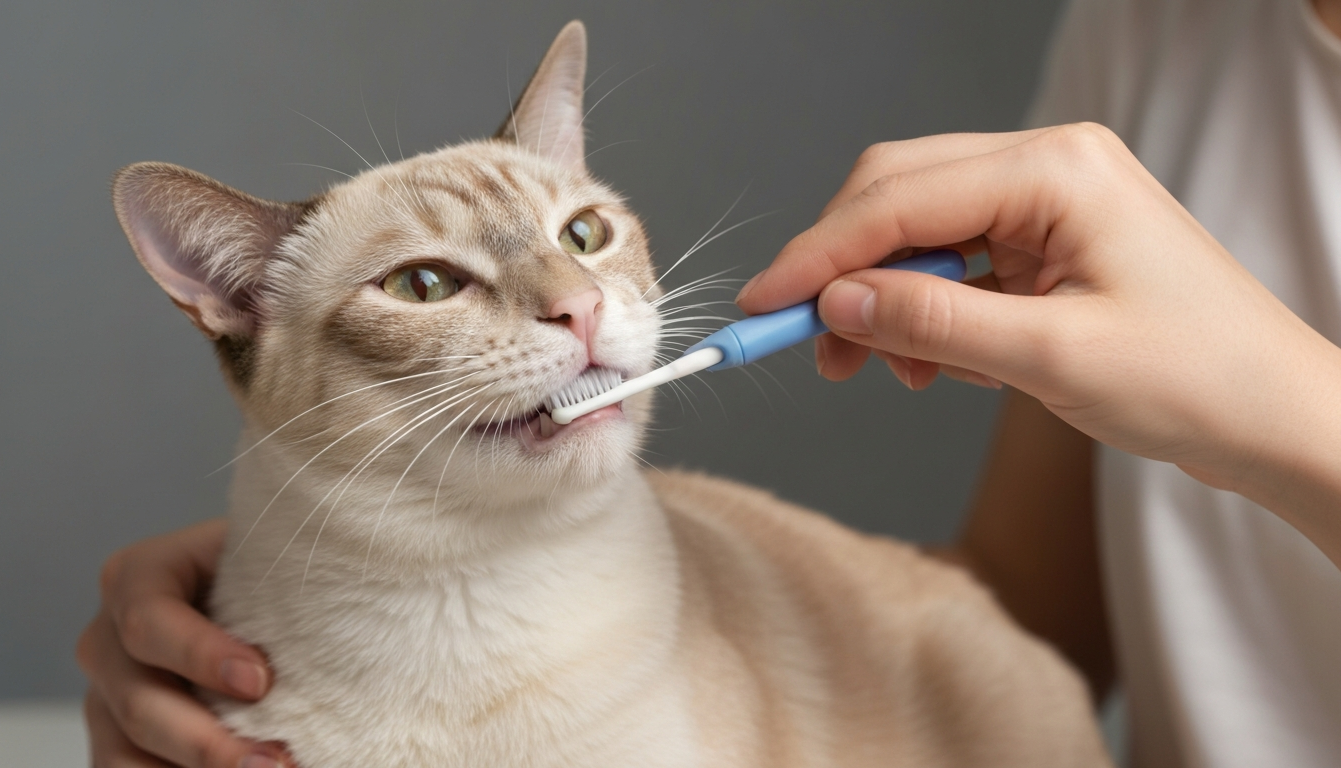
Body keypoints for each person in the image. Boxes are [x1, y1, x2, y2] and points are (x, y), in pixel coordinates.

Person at [77, 0, 1341, 766]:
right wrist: (361, 546)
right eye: (428, 283)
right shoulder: (1167, 26)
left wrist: (1287, 419)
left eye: (581, 235)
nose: (573, 304)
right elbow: (1013, 630)